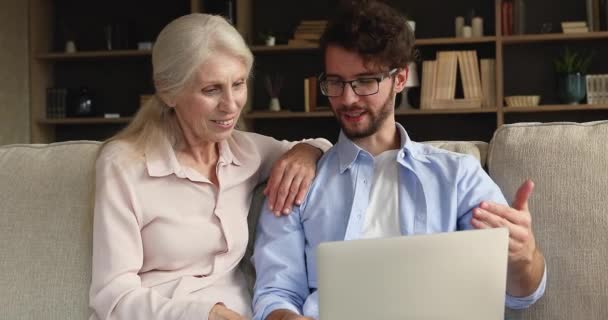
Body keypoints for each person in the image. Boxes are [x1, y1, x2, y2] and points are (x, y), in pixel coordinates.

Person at [251, 1, 547, 319]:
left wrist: (524, 256)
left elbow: (521, 295)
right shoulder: (297, 181)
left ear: (401, 78)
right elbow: (274, 293)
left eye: (365, 81)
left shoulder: (457, 175)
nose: (347, 99)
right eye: (335, 82)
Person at [88, 13, 331, 320]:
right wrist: (205, 314)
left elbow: (326, 147)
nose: (231, 105)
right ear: (167, 90)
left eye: (238, 84)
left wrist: (305, 152)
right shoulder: (124, 164)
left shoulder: (247, 152)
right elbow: (112, 297)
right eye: (211, 89)